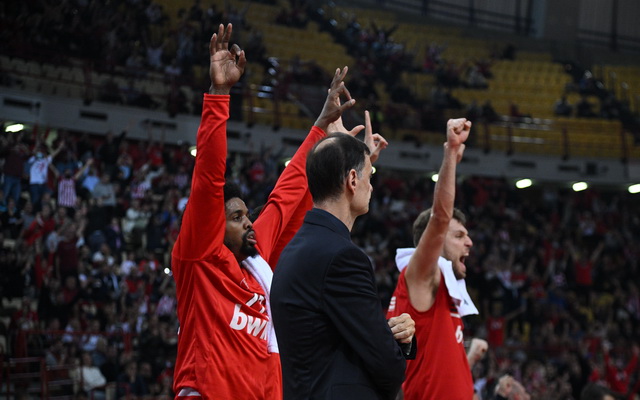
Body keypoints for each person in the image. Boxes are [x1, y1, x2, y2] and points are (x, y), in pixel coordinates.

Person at [172, 23, 359, 399]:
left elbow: (285, 197)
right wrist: (220, 94)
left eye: (245, 215)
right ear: (213, 227)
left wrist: (321, 130)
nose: (248, 222)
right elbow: (208, 176)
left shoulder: (257, 260)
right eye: (236, 217)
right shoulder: (200, 258)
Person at [271, 112, 416, 400]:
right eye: (369, 176)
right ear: (352, 179)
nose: (371, 185)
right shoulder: (344, 258)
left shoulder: (296, 251)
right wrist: (400, 343)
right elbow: (388, 366)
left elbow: (333, 340)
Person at [386, 118, 475, 399]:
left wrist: (471, 357)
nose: (469, 242)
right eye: (459, 235)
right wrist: (451, 152)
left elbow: (437, 372)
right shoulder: (421, 276)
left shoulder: (443, 288)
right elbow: (440, 218)